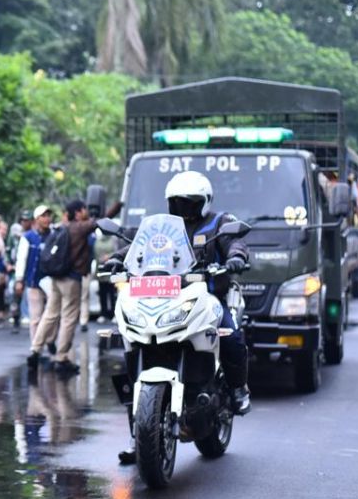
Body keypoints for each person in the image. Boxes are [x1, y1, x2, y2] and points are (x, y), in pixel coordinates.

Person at [109, 170, 251, 418]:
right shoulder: (164, 226)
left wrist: (236, 257)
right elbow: (138, 246)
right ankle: (140, 430)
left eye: (189, 201)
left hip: (207, 295)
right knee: (131, 335)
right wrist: (116, 258)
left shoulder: (219, 222)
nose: (182, 206)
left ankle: (239, 389)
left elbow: (234, 242)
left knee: (231, 337)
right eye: (177, 201)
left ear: (204, 201)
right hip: (165, 297)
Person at [26, 199, 109, 374]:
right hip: (71, 279)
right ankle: (61, 358)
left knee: (50, 314)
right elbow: (102, 219)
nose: (86, 212)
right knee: (69, 318)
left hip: (56, 277)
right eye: (84, 209)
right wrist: (120, 204)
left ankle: (35, 349)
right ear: (78, 212)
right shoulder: (79, 227)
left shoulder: (62, 227)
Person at [13, 206, 52, 339]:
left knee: (52, 316)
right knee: (35, 318)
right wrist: (19, 280)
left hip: (52, 283)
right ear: (37, 219)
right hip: (33, 282)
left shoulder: (54, 235)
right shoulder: (28, 237)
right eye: (44, 216)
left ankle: (50, 341)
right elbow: (21, 259)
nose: (47, 218)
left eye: (48, 215)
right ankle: (36, 347)